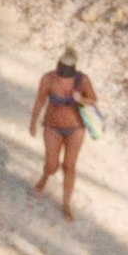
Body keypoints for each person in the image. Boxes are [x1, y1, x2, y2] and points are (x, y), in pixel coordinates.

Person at [37, 56, 98, 218]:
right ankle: (45, 176)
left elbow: (93, 99)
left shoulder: (82, 80)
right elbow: (40, 100)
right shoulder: (48, 79)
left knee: (69, 167)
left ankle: (66, 204)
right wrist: (33, 121)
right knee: (52, 165)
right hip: (52, 127)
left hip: (75, 128)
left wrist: (81, 99)